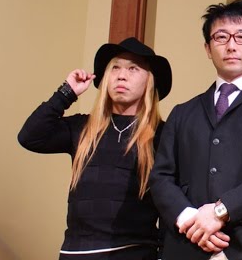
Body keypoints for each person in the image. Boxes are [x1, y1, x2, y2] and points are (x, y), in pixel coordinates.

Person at [150, 0, 242, 260]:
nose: (231, 45)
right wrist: (191, 220)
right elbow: (161, 177)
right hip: (187, 244)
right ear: (208, 48)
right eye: (221, 37)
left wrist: (220, 211)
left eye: (241, 37)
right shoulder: (182, 113)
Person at [18, 37, 173, 260]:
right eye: (115, 68)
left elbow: (171, 205)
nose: (121, 75)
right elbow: (30, 137)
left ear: (150, 80)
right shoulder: (82, 127)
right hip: (76, 252)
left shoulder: (163, 135)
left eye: (133, 68)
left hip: (134, 253)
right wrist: (66, 93)